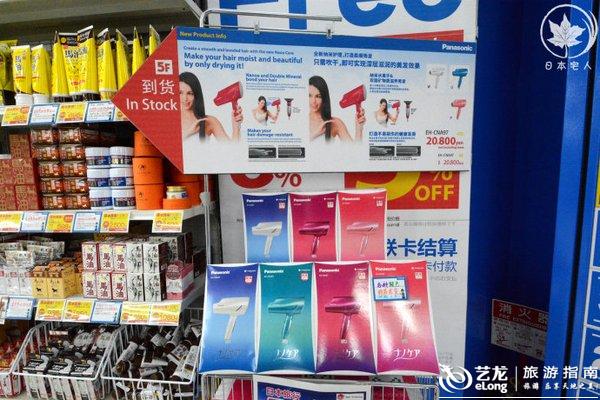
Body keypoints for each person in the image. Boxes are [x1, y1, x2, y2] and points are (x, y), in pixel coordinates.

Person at [179, 72, 243, 142]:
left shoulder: (209, 121)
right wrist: (188, 133)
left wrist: (236, 128)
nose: (185, 98)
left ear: (196, 95)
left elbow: (232, 148)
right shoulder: (171, 121)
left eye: (190, 93)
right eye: (180, 93)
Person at [308, 76, 365, 142]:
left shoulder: (335, 123)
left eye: (318, 96)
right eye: (309, 95)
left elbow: (355, 148)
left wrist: (359, 129)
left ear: (324, 97)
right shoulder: (301, 120)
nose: (313, 101)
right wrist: (315, 135)